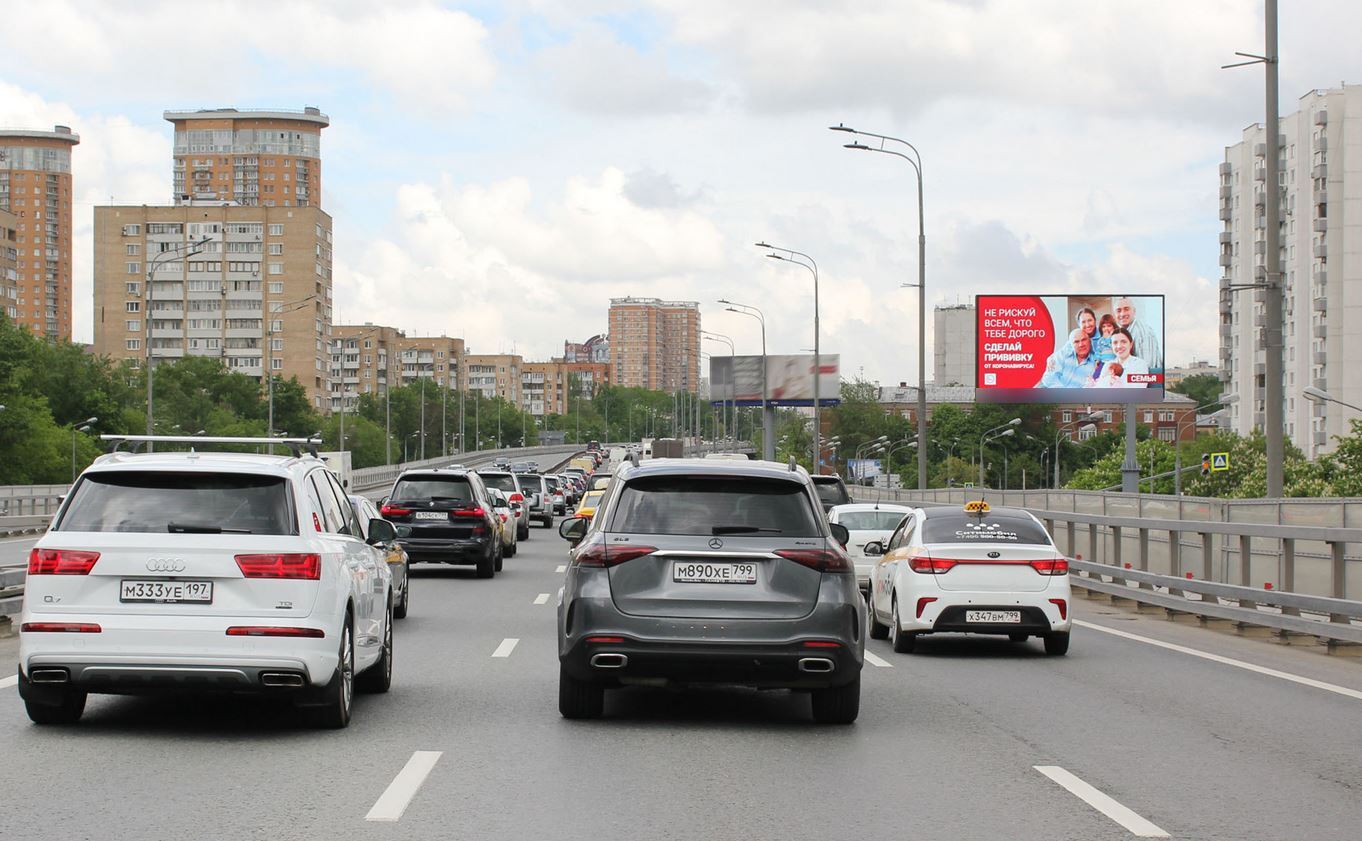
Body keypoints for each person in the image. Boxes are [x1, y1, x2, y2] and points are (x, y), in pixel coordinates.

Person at [1113, 296, 1162, 372]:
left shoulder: (1143, 332)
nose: (1122, 314)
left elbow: (1146, 368)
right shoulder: (1124, 332)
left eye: (1126, 309)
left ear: (1134, 311)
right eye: (1118, 311)